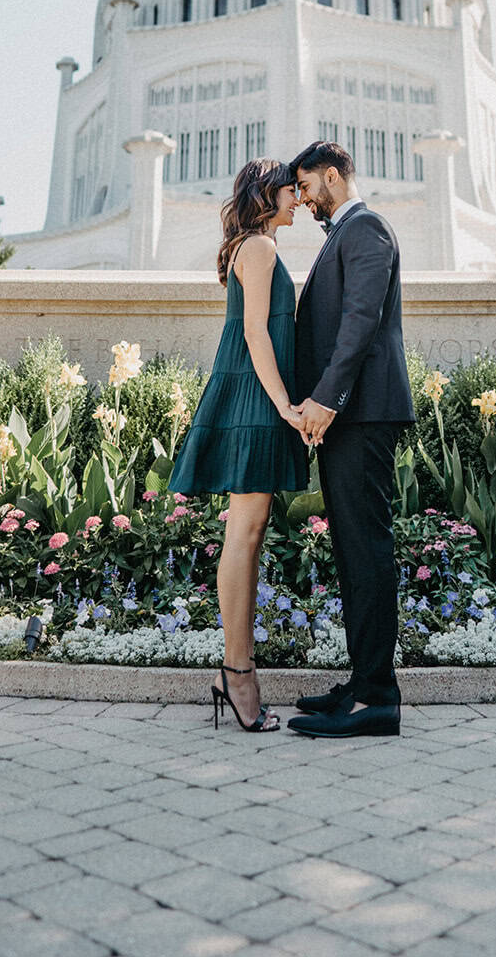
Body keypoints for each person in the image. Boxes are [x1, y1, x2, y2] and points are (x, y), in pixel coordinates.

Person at [168, 158, 308, 732]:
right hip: (256, 400)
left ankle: (237, 671)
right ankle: (237, 673)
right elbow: (255, 333)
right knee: (244, 536)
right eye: (291, 191)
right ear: (266, 194)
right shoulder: (261, 249)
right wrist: (283, 405)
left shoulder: (251, 248)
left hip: (254, 396)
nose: (298, 199)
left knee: (244, 536)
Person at [286, 140, 414, 738]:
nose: (305, 200)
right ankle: (362, 682)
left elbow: (360, 322)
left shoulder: (367, 229)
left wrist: (324, 400)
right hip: (349, 416)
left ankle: (377, 698)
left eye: (309, 187)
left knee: (366, 550)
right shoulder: (345, 233)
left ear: (334, 177)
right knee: (352, 551)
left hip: (360, 415)